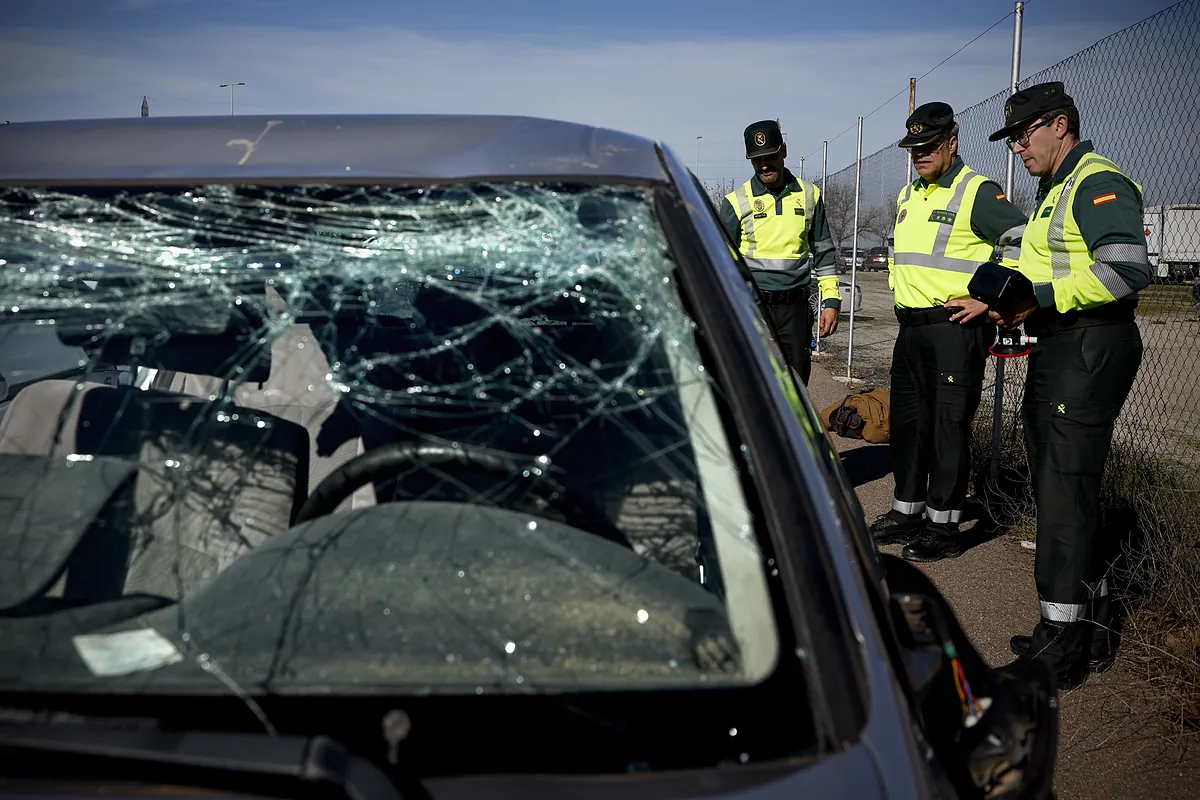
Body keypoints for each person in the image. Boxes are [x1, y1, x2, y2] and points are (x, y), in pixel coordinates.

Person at [987, 81, 1151, 687]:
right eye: (1011, 139)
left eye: (1024, 135)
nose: (1018, 149)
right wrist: (1009, 301)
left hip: (1089, 345)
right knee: (1064, 490)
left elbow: (1129, 269)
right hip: (1062, 344)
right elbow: (1046, 265)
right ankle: (1089, 624)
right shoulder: (1054, 186)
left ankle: (1061, 650)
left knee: (1062, 496)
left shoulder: (1093, 181)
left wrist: (1042, 298)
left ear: (1060, 125)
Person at [868, 102, 1028, 563]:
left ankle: (944, 525)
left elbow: (1020, 238)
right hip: (911, 329)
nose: (919, 155)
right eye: (913, 148)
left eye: (928, 146)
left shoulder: (974, 190)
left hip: (954, 329)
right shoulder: (909, 195)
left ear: (951, 143)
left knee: (947, 428)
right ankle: (907, 512)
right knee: (908, 425)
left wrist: (991, 298)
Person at [719, 120, 839, 385]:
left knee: (795, 385)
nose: (764, 165)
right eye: (756, 159)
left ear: (783, 151)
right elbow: (720, 263)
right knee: (751, 384)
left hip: (794, 310)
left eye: (770, 156)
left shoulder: (810, 195)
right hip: (753, 309)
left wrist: (831, 301)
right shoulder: (736, 202)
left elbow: (824, 253)